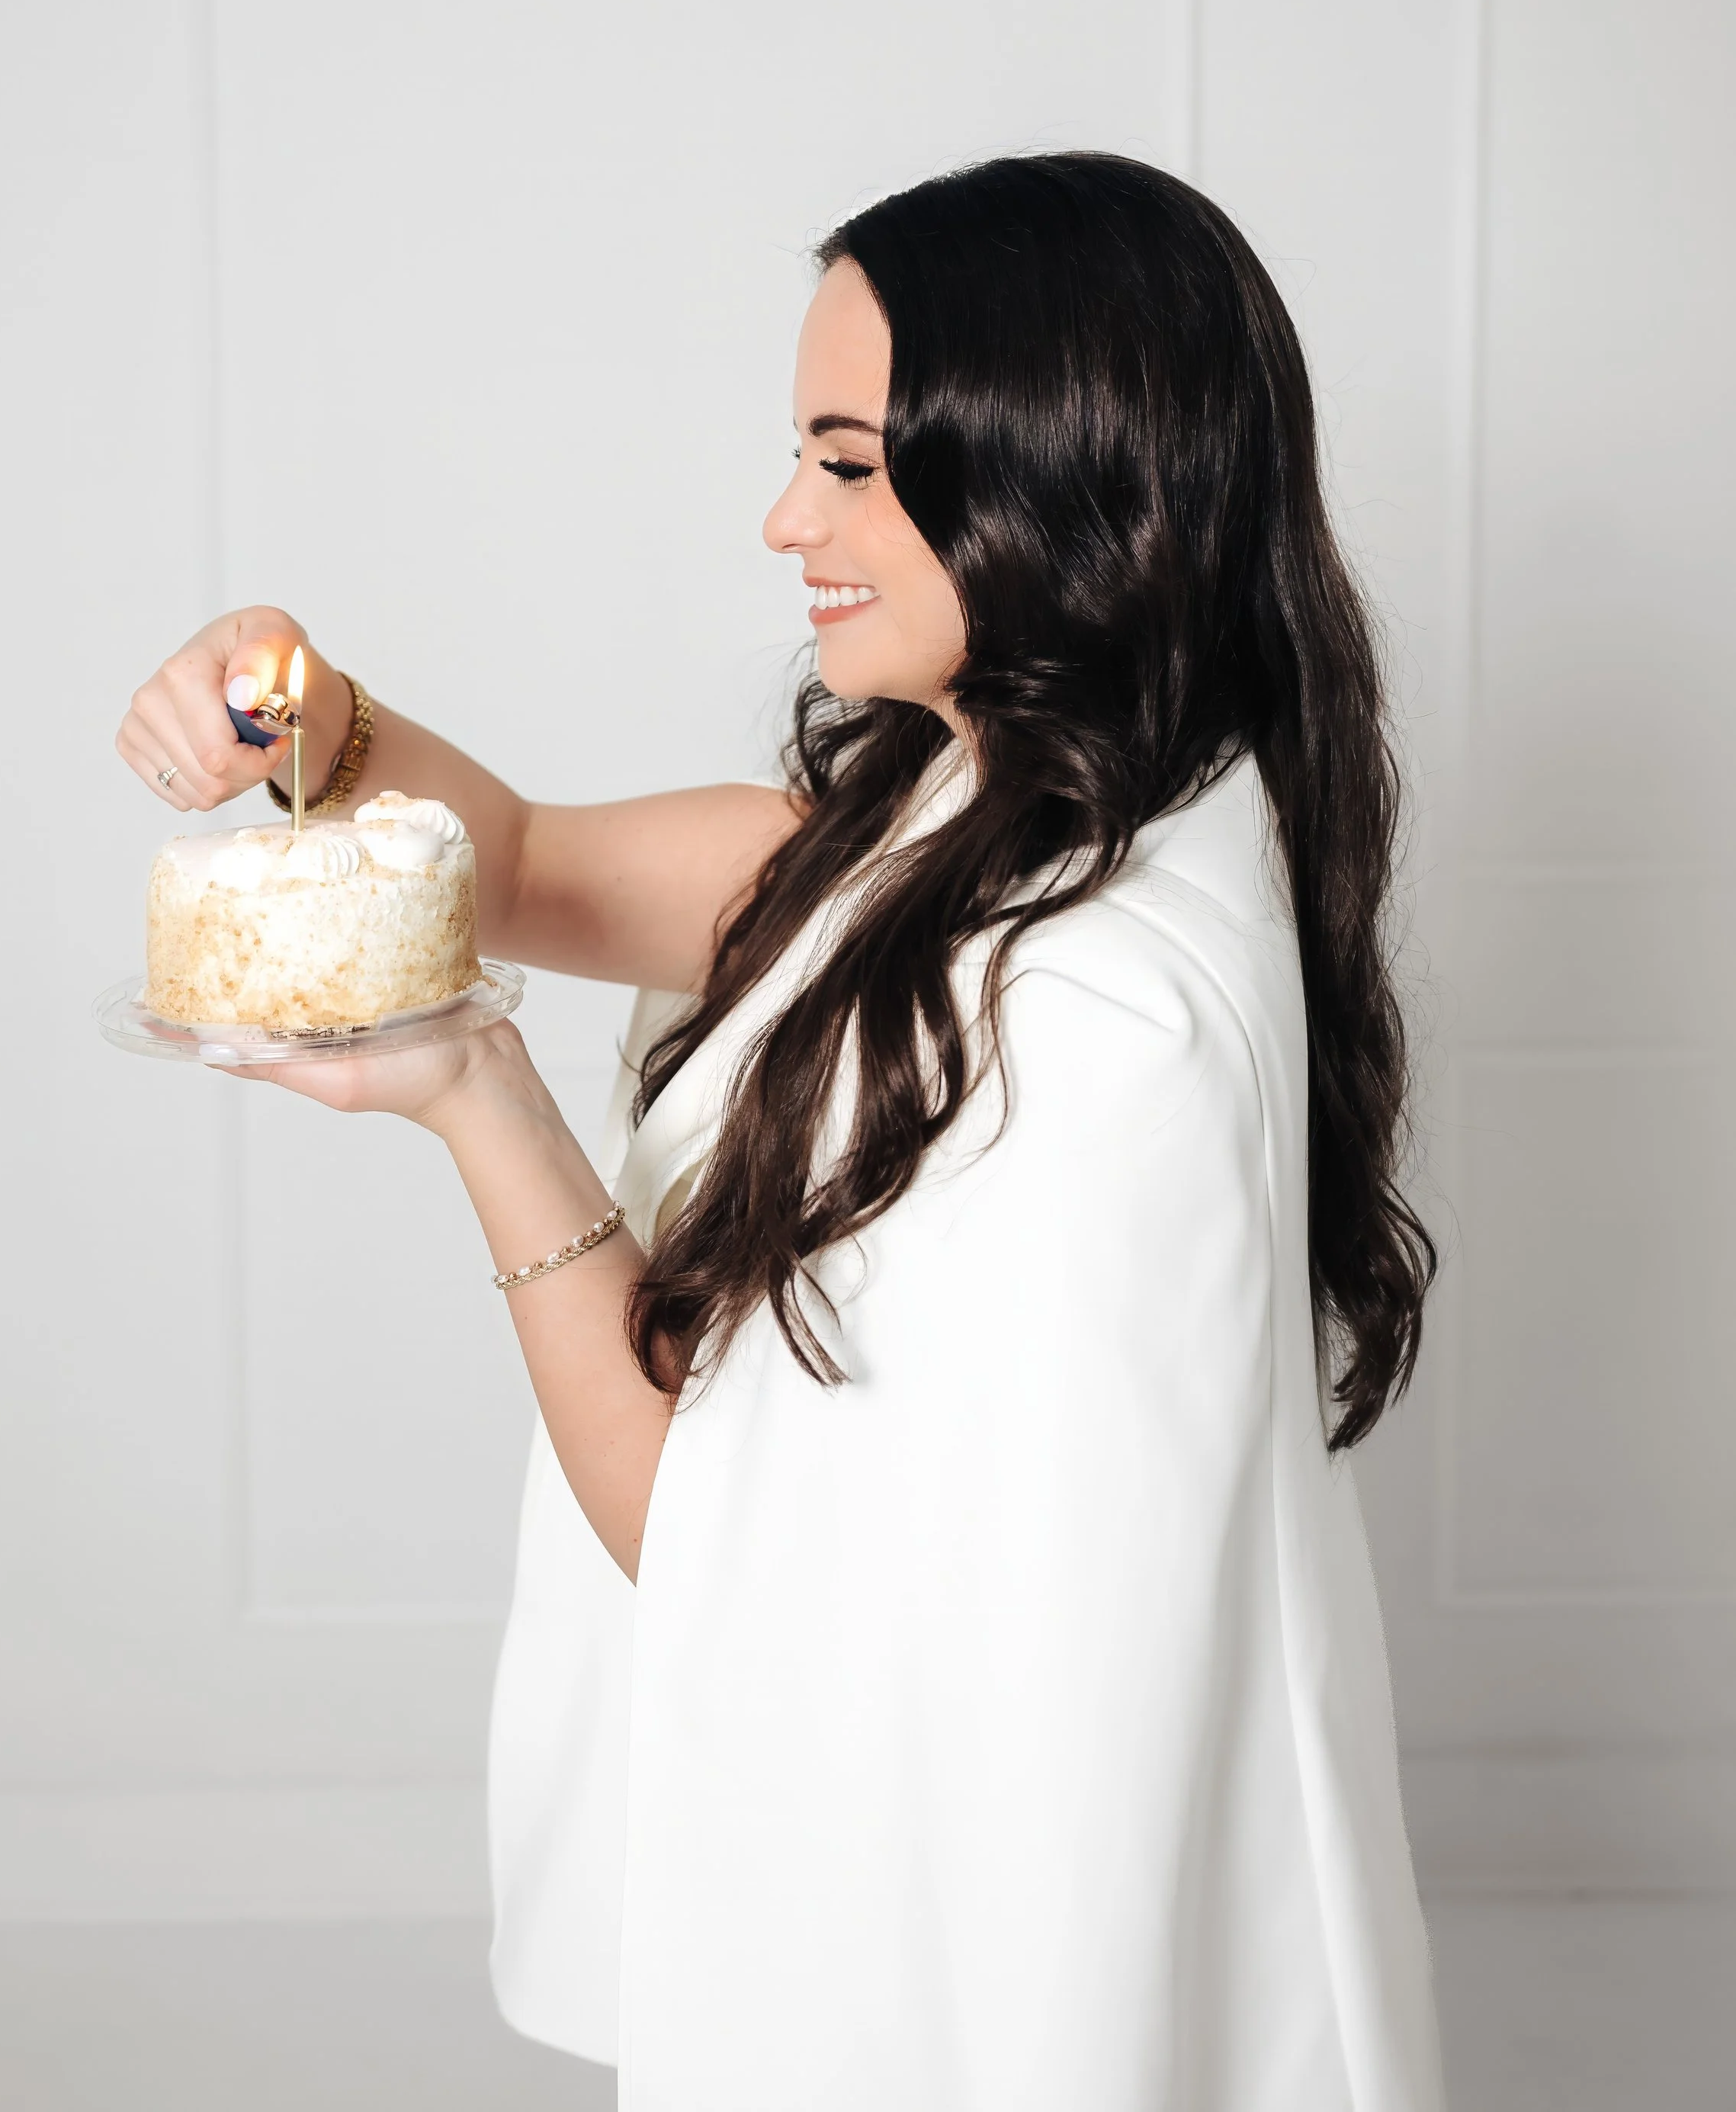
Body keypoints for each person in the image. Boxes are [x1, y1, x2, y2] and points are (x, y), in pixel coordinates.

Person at [118, 154, 1446, 2110]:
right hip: (912, 1919)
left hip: (969, 2000)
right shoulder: (981, 819)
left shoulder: (1091, 1022)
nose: (783, 520)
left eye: (847, 462)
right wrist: (299, 709)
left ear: (1052, 470)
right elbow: (530, 865)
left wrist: (476, 1092)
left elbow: (714, 1543)